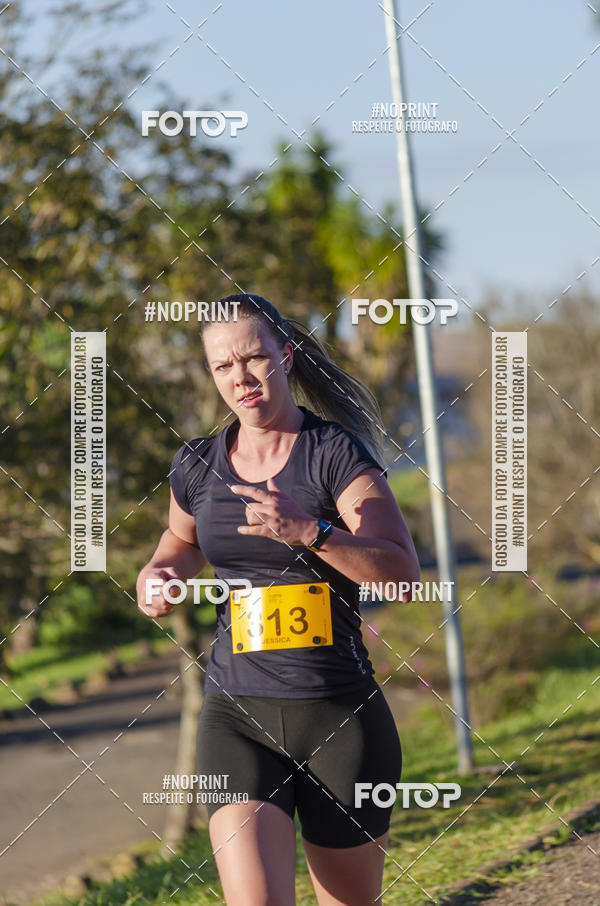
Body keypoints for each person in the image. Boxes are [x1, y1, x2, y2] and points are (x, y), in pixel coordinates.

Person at [136, 293, 420, 905]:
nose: (240, 377)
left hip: (337, 716)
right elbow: (178, 543)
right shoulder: (197, 465)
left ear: (285, 356)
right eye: (222, 366)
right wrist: (157, 574)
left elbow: (398, 571)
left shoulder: (335, 454)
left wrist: (309, 532)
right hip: (237, 715)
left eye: (254, 357)